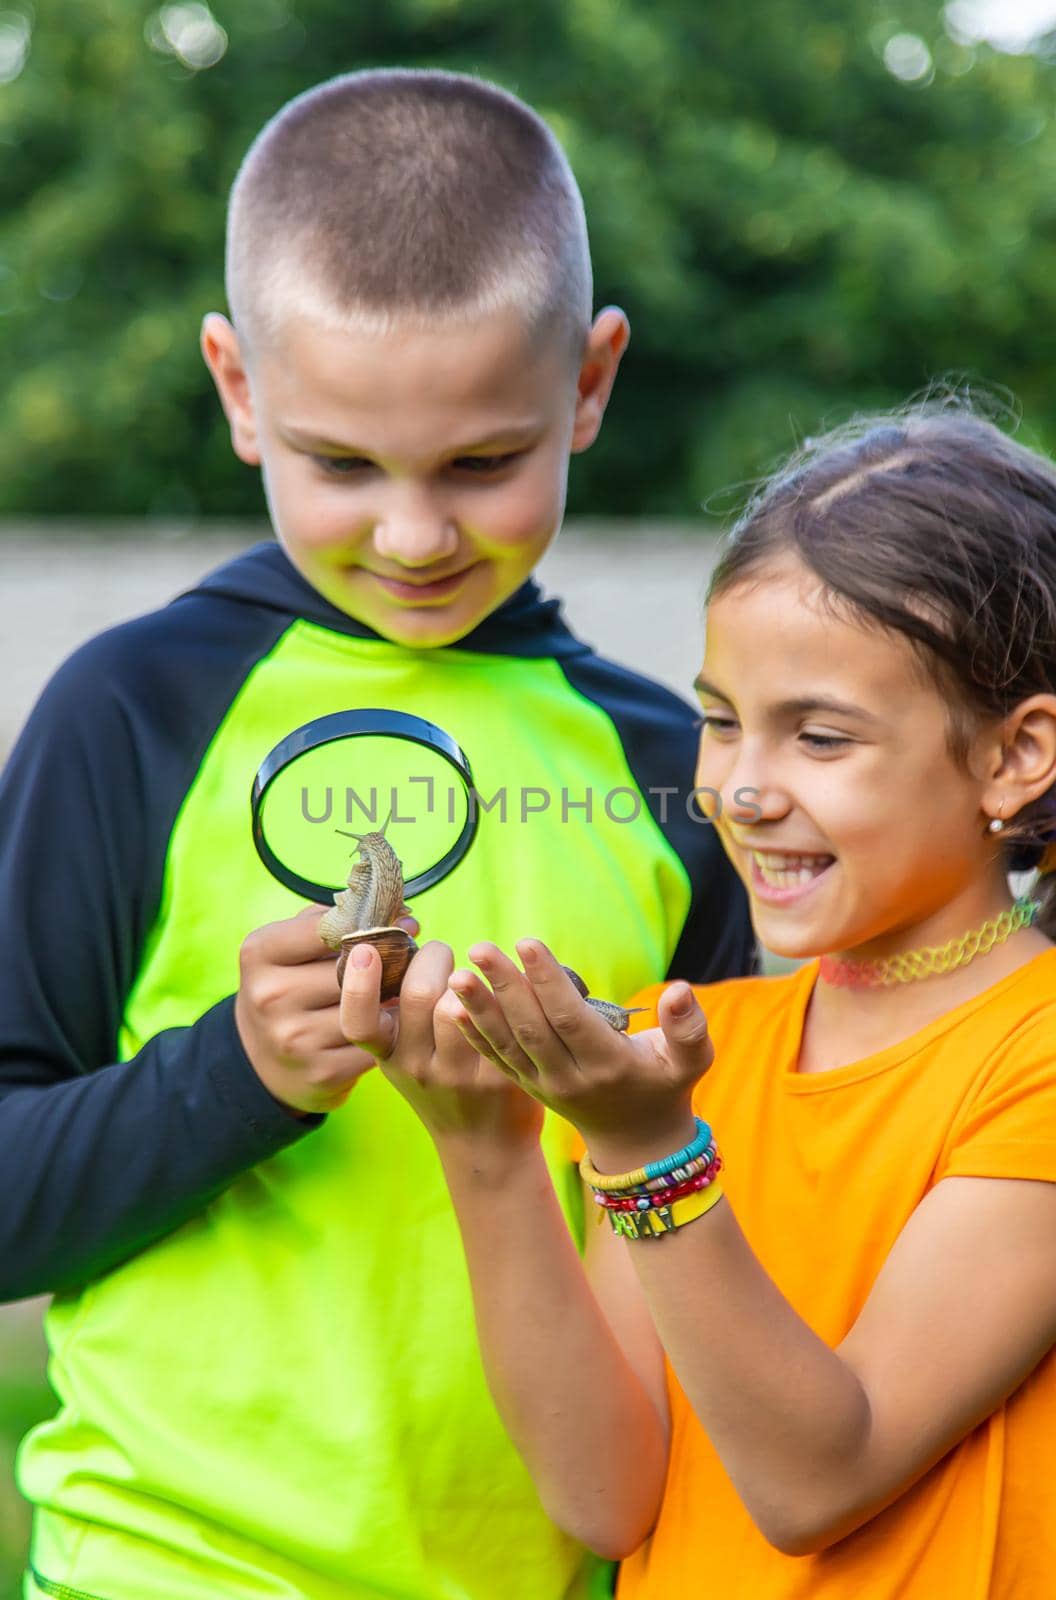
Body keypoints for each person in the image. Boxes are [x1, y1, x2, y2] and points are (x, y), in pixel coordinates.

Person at [0, 69, 757, 1600]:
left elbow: (750, 1210)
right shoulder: (130, 711)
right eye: (341, 465)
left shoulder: (686, 769)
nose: (415, 535)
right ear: (237, 390)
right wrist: (239, 1072)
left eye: (483, 462)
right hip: (158, 1568)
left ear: (591, 384)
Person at [342, 402, 1056, 1597]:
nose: (741, 789)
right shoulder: (699, 1046)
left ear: (1014, 755)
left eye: (819, 737)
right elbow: (610, 1497)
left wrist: (649, 1151)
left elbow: (818, 1478)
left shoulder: (1028, 1058)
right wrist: (487, 1148)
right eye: (721, 722)